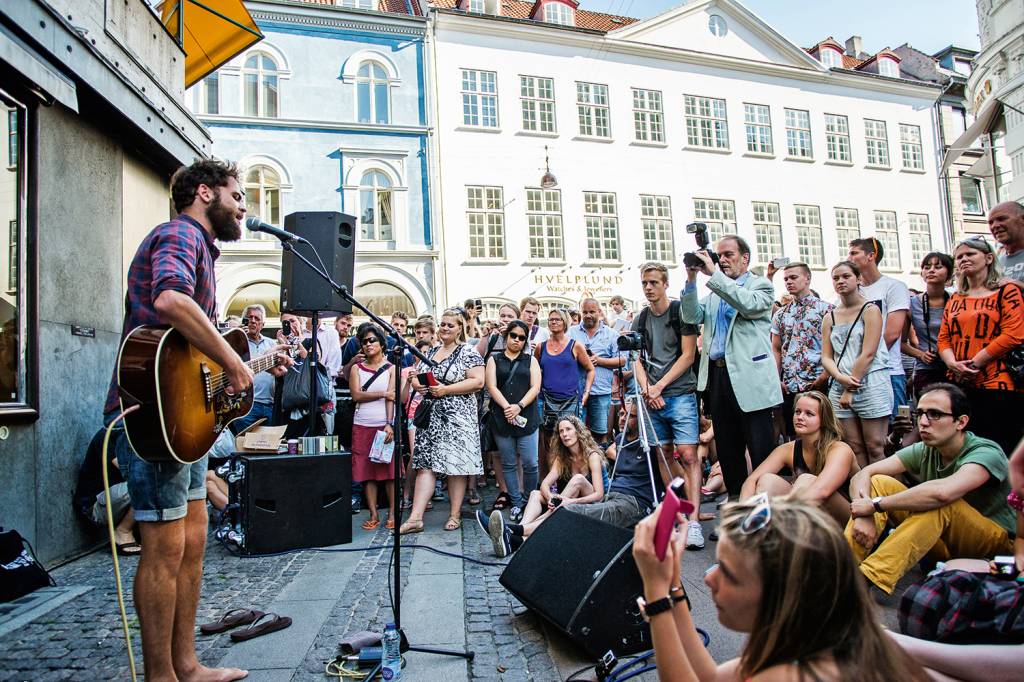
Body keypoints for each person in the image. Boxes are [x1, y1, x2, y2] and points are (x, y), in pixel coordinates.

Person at [103, 159, 287, 682]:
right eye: (238, 195)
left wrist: (237, 363)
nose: (245, 206)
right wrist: (232, 361)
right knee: (163, 544)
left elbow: (194, 353)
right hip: (153, 420)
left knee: (194, 537)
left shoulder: (203, 250)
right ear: (204, 192)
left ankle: (187, 663)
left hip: (185, 421)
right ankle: (161, 675)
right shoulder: (180, 234)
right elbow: (169, 299)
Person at [632, 495, 929, 682]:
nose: (709, 579)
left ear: (785, 596)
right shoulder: (806, 640)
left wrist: (657, 596)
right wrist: (671, 585)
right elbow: (710, 676)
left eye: (730, 575)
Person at [845, 383, 1015, 595]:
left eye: (934, 414)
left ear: (961, 422)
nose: (923, 422)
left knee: (939, 504)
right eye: (920, 414)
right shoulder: (925, 449)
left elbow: (942, 493)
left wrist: (876, 505)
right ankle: (842, 573)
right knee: (879, 481)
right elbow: (864, 474)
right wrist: (863, 513)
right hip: (942, 542)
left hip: (994, 547)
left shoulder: (985, 452)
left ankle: (859, 584)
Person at [482, 402, 666, 557]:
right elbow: (546, 483)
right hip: (604, 496)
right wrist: (553, 498)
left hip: (596, 496)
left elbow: (599, 493)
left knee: (574, 489)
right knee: (537, 494)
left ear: (578, 432)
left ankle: (515, 530)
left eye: (568, 430)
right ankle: (515, 535)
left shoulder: (593, 454)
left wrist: (566, 501)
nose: (565, 434)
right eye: (561, 431)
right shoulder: (567, 455)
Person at [682, 236, 781, 501]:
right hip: (717, 375)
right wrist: (692, 279)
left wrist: (714, 274)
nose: (722, 260)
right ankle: (737, 503)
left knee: (760, 446)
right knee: (727, 447)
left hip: (751, 378)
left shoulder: (760, 285)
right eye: (719, 255)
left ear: (745, 258)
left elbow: (748, 304)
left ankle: (764, 506)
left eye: (728, 255)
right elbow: (691, 317)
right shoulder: (715, 292)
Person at [632, 262, 702, 548]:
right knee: (663, 456)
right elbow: (635, 358)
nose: (649, 287)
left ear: (665, 284)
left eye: (653, 282)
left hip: (680, 393)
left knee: (688, 455)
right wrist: (648, 388)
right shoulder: (642, 317)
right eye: (645, 283)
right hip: (653, 396)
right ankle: (680, 517)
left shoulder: (679, 312)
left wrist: (659, 386)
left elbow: (688, 355)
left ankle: (694, 520)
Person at [400, 309, 485, 534]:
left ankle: (455, 514)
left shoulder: (468, 352)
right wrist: (419, 384)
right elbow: (420, 377)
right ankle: (416, 517)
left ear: (460, 328)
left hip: (457, 417)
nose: (445, 328)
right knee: (425, 465)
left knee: (455, 467)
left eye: (450, 325)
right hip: (431, 417)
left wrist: (446, 389)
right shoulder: (434, 350)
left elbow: (478, 382)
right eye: (443, 324)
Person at [937, 236, 1024, 455]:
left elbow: (1014, 333)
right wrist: (952, 363)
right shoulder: (956, 297)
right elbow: (944, 337)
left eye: (970, 254)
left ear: (987, 258)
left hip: (998, 382)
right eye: (959, 257)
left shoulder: (1006, 291)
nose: (964, 259)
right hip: (960, 383)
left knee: (1000, 446)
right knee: (967, 447)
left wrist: (976, 362)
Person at [740, 391, 858, 526]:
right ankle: (751, 529)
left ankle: (781, 535)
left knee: (806, 480)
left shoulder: (839, 449)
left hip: (851, 519)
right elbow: (751, 480)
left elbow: (821, 492)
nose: (800, 417)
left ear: (824, 420)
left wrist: (778, 512)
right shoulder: (787, 449)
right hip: (808, 514)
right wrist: (745, 513)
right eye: (797, 412)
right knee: (767, 480)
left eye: (809, 414)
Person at [821, 260, 893, 467]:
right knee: (853, 445)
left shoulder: (870, 310)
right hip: (839, 384)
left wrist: (850, 388)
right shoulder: (830, 316)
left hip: (869, 382)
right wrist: (839, 377)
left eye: (846, 276)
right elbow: (827, 356)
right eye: (836, 278)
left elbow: (868, 353)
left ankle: (881, 493)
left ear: (858, 279)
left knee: (875, 446)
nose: (840, 281)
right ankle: (862, 492)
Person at [484, 319, 542, 522]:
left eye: (521, 337)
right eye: (513, 335)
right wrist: (508, 408)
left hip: (527, 416)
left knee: (530, 463)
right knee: (508, 462)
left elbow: (535, 387)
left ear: (526, 340)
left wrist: (519, 406)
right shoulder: (494, 359)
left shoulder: (530, 360)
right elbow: (491, 387)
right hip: (502, 417)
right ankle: (516, 502)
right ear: (506, 336)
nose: (517, 340)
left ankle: (529, 500)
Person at [848, 237, 912, 416]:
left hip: (888, 371)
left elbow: (892, 333)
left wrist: (865, 360)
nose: (849, 258)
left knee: (895, 431)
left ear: (871, 256)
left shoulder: (894, 286)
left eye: (854, 253)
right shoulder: (853, 291)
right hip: (856, 374)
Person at [770, 262, 832, 440]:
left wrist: (825, 375)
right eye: (786, 279)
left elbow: (836, 346)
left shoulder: (826, 310)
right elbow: (776, 348)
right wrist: (777, 377)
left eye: (793, 277)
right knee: (796, 434)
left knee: (823, 432)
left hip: (818, 381)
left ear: (808, 278)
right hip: (790, 384)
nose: (789, 282)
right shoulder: (781, 314)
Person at [536, 307, 594, 480]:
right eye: (551, 319)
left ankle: (575, 480)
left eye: (558, 319)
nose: (554, 322)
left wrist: (587, 392)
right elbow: (536, 372)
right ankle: (554, 483)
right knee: (551, 444)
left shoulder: (575, 346)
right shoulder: (541, 347)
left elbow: (590, 369)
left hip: (570, 401)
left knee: (574, 443)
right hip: (547, 401)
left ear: (565, 322)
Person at [349, 323, 396, 531]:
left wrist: (389, 423)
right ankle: (373, 513)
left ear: (381, 343)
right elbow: (356, 395)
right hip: (362, 424)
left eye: (372, 340)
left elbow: (392, 399)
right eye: (364, 341)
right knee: (367, 472)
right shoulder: (356, 369)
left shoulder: (391, 368)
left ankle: (393, 514)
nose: (367, 344)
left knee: (388, 471)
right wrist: (383, 394)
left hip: (382, 425)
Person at [569, 298, 623, 442]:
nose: (588, 315)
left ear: (599, 312)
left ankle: (599, 463)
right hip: (576, 392)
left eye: (592, 311)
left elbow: (622, 361)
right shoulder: (571, 333)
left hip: (601, 392)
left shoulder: (611, 334)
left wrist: (599, 360)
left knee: (599, 434)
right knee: (575, 433)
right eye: (585, 312)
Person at [904, 252, 955, 398]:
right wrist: (921, 354)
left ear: (949, 274)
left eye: (938, 267)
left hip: (954, 367)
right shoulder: (912, 303)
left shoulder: (958, 300)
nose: (931, 270)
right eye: (927, 267)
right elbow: (900, 343)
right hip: (926, 368)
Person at [231, 304, 277, 434]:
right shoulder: (238, 343)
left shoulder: (271, 344)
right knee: (244, 444)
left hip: (269, 404)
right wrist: (238, 338)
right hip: (246, 405)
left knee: (267, 446)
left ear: (263, 324)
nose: (252, 321)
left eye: (257, 318)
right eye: (249, 318)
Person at [988, 200, 1024, 284]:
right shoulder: (995, 262)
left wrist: (1017, 285)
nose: (994, 226)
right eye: (990, 222)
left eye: (1001, 219)